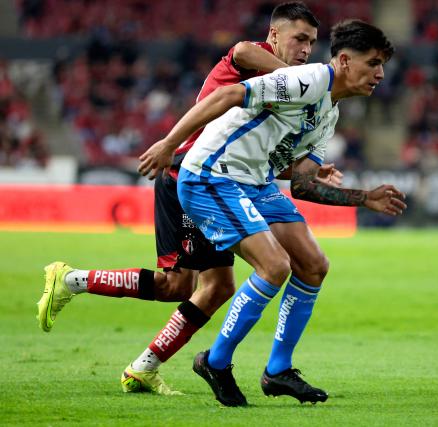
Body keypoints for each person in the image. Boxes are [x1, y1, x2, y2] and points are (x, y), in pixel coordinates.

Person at [36, 2, 340, 396]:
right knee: (182, 285)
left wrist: (302, 170)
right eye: (299, 38)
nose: (305, 49)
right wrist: (301, 77)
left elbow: (251, 152)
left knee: (208, 287)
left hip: (219, 180)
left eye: (312, 43)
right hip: (189, 176)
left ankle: (142, 364)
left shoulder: (281, 91)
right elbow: (242, 50)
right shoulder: (255, 61)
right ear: (274, 35)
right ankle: (73, 281)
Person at [138, 19, 406, 406]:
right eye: (373, 63)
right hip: (211, 174)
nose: (380, 73)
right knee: (274, 266)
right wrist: (169, 144)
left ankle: (278, 370)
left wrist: (363, 197)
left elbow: (301, 183)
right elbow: (229, 94)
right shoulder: (308, 80)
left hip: (255, 181)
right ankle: (215, 361)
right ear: (345, 61)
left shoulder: (329, 111)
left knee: (313, 264)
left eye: (382, 65)